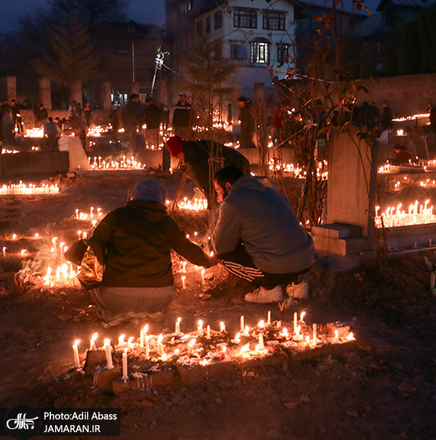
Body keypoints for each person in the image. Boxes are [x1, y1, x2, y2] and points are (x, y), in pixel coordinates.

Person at [72, 180, 210, 324]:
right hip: (160, 297)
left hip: (116, 296)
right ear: (161, 199)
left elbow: (94, 246)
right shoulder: (168, 223)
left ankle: (114, 313)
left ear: (134, 197)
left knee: (93, 281)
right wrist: (208, 260)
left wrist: (86, 272)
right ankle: (149, 313)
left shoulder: (116, 217)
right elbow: (189, 250)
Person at [211, 165, 314, 303]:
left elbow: (221, 246)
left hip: (277, 265)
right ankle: (299, 285)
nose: (218, 198)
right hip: (306, 260)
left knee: (223, 257)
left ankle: (270, 290)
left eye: (218, 191)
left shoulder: (232, 202)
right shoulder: (273, 193)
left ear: (228, 186)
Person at [165, 135, 250, 201]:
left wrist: (212, 199)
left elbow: (206, 179)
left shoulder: (193, 154)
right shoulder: (195, 147)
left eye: (177, 156)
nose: (179, 159)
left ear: (180, 151)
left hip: (235, 166)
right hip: (239, 162)